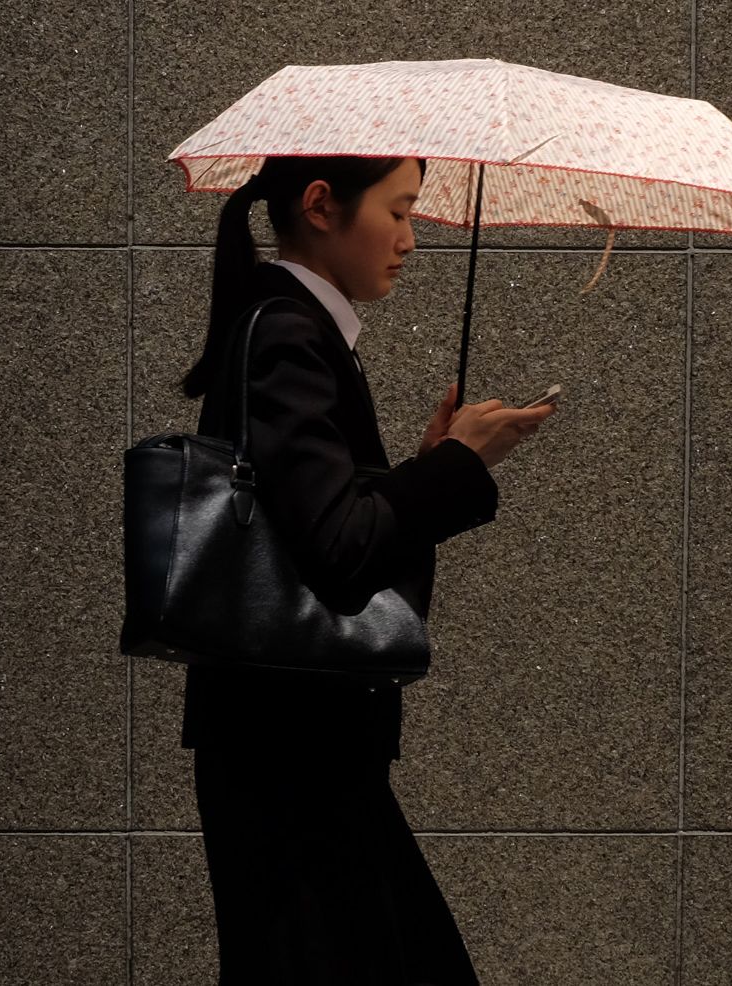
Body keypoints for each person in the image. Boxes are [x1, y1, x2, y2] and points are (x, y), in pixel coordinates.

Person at [177, 154, 556, 984]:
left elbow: (314, 519)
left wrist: (428, 467)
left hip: (287, 740)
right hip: (291, 752)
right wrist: (453, 467)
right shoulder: (288, 333)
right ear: (321, 205)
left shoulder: (290, 327)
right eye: (400, 211)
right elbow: (339, 546)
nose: (412, 240)